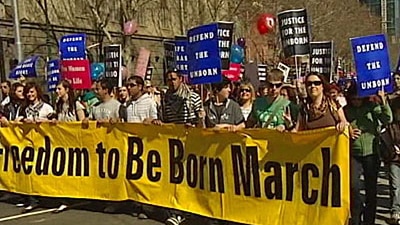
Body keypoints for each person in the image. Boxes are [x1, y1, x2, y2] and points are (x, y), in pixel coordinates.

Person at [344, 86, 392, 225]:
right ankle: (356, 217)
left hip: (371, 152)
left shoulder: (371, 107)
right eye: (353, 99)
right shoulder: (347, 110)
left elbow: (387, 119)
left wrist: (383, 101)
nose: (356, 102)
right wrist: (349, 130)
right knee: (354, 187)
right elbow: (341, 124)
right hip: (354, 153)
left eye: (359, 99)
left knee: (371, 189)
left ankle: (369, 219)